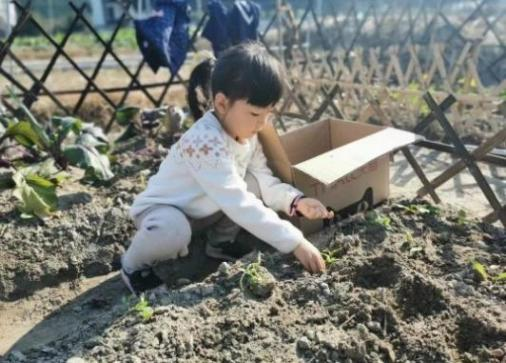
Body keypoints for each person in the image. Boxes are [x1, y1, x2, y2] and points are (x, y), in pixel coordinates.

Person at [121, 41, 333, 295]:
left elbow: (264, 182)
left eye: (269, 114)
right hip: (164, 212)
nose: (262, 123)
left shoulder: (247, 135)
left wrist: (296, 201)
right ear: (221, 104)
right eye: (255, 114)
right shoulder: (204, 142)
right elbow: (236, 200)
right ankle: (133, 265)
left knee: (252, 183)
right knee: (173, 230)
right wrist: (294, 241)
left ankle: (219, 244)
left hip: (203, 209)